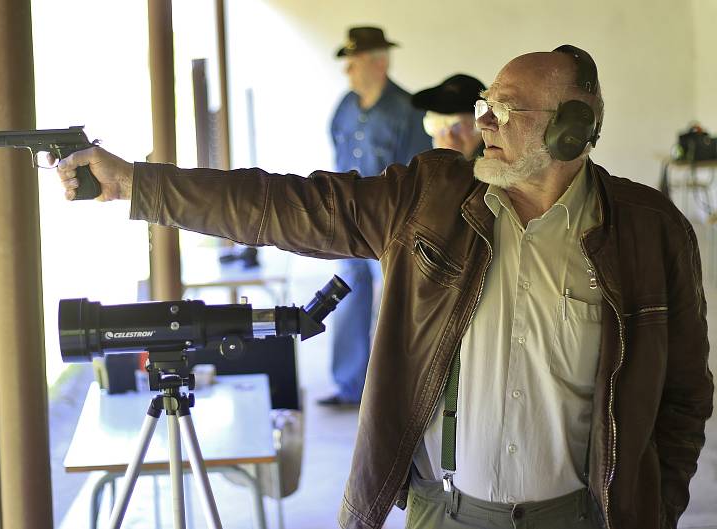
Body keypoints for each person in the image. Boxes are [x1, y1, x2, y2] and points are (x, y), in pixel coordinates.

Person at [57, 45, 713, 529]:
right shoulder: (430, 197)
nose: (483, 122)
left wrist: (654, 505)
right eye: (484, 104)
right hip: (444, 511)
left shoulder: (650, 232)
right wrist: (138, 184)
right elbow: (278, 204)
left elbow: (684, 397)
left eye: (506, 110)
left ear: (572, 126)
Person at [323, 26, 432, 407]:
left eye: (353, 63)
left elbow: (419, 172)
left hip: (390, 224)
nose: (347, 71)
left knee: (393, 306)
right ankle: (350, 386)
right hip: (349, 222)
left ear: (379, 62)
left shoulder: (408, 109)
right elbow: (336, 153)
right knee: (346, 296)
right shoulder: (346, 106)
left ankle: (392, 393)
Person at [412, 73, 486, 160]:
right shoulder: (421, 168)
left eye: (458, 125)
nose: (449, 136)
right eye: (438, 124)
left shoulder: (496, 167)